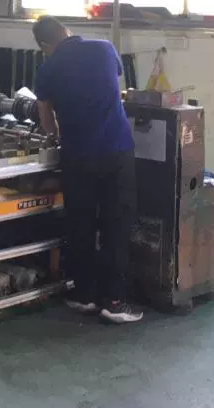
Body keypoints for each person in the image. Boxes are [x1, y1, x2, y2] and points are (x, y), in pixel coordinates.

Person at [33, 16, 142, 324]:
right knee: (116, 225)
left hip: (77, 155)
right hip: (116, 150)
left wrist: (55, 135)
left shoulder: (47, 70)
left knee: (80, 223)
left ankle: (85, 295)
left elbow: (47, 122)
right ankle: (114, 301)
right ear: (67, 31)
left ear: (45, 45)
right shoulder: (105, 49)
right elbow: (114, 89)